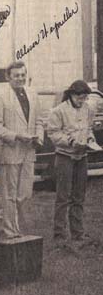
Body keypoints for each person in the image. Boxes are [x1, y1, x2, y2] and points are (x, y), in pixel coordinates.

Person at [0, 61, 44, 240]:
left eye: (23, 75)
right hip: (9, 151)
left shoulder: (32, 95)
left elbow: (39, 120)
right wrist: (16, 136)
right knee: (9, 195)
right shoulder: (0, 97)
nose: (20, 78)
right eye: (16, 75)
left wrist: (39, 136)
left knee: (24, 195)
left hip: (28, 152)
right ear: (8, 77)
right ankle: (11, 233)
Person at [46, 80, 96, 247]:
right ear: (72, 95)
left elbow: (89, 129)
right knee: (63, 196)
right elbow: (53, 133)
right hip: (64, 157)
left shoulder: (89, 109)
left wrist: (90, 139)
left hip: (82, 157)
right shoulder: (58, 111)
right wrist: (70, 141)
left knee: (79, 196)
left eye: (85, 98)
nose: (82, 101)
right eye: (80, 98)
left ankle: (78, 233)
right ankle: (59, 234)